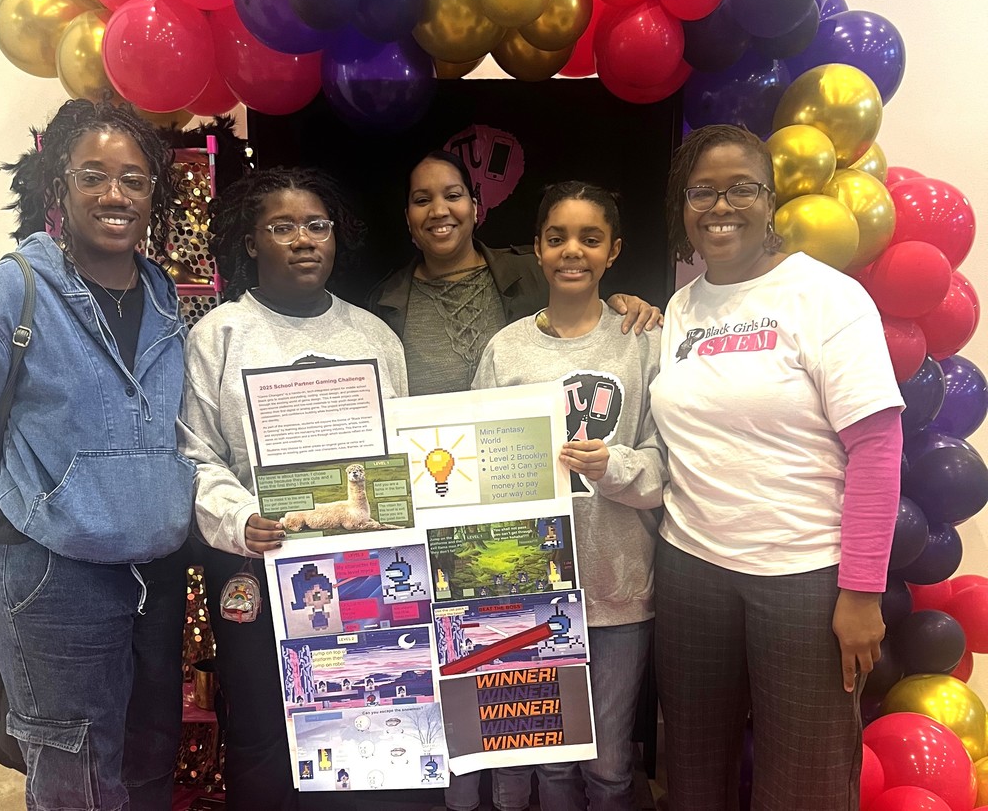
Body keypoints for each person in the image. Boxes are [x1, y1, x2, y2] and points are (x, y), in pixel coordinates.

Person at [649, 125, 904, 811]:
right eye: (702, 191)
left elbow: (878, 448)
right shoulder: (681, 306)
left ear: (770, 201)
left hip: (804, 580)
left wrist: (861, 592)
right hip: (690, 569)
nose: (720, 205)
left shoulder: (826, 297)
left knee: (807, 785)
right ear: (683, 205)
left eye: (741, 187)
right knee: (693, 776)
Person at [0, 99, 194, 810]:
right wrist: (12, 515)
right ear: (57, 185)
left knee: (152, 760)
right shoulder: (14, 290)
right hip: (51, 581)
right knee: (78, 779)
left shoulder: (161, 295)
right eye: (94, 175)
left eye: (135, 179)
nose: (116, 195)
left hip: (153, 579)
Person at [178, 166, 408, 811]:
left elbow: (401, 454)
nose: (304, 240)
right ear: (251, 243)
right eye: (282, 227)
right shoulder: (217, 336)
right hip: (258, 560)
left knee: (362, 718)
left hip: (359, 568)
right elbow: (195, 453)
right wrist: (239, 517)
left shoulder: (374, 338)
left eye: (317, 225)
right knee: (260, 731)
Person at [473, 181, 665, 811]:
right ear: (537, 249)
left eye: (590, 238)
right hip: (530, 589)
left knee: (610, 765)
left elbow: (669, 463)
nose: (572, 251)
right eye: (556, 238)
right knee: (550, 766)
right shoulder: (505, 350)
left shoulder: (642, 341)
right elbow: (475, 463)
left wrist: (615, 465)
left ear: (614, 250)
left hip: (618, 586)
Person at [370, 149, 661, 396]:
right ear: (408, 218)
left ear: (474, 208)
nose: (438, 210)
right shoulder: (386, 302)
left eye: (452, 195)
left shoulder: (531, 270)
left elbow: (581, 299)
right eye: (422, 200)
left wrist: (624, 304)